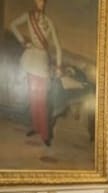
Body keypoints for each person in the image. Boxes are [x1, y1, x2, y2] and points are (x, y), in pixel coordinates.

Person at [10, 0, 62, 147]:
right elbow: (13, 26)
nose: (41, 2)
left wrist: (58, 66)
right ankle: (35, 127)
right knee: (33, 98)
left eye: (43, 0)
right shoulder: (28, 16)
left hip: (42, 62)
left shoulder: (49, 22)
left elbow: (57, 46)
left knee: (42, 100)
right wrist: (23, 41)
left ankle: (45, 133)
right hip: (31, 59)